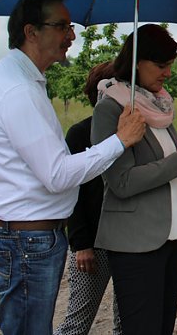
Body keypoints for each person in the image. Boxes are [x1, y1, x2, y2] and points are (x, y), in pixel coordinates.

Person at [0, 0, 147, 335]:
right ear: (31, 31)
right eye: (61, 26)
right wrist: (120, 141)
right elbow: (57, 175)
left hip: (23, 236)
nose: (72, 35)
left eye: (71, 25)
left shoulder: (21, 80)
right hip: (25, 242)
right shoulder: (17, 90)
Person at [92, 24, 177, 335]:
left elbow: (173, 165)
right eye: (161, 66)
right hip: (137, 243)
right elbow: (121, 182)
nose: (168, 74)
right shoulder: (111, 109)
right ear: (137, 62)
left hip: (174, 237)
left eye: (170, 66)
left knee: (163, 326)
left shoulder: (158, 105)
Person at [55, 62, 124, 335]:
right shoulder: (80, 133)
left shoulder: (133, 130)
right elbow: (74, 191)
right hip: (93, 243)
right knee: (78, 319)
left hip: (128, 241)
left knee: (128, 320)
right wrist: (81, 244)